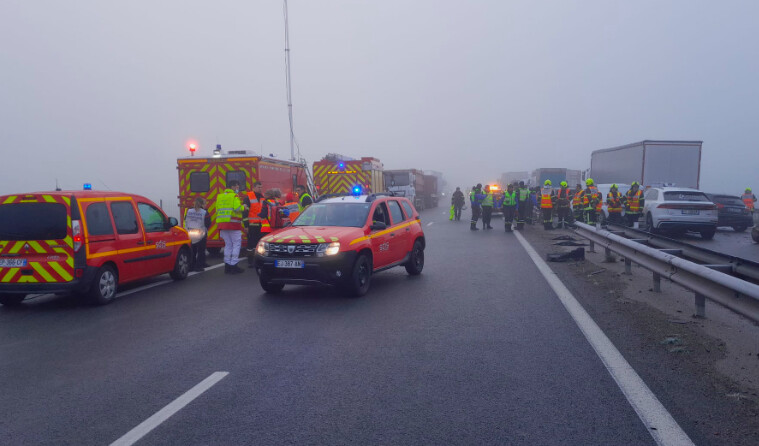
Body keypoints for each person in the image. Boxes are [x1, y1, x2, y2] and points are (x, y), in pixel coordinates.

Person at [216, 179, 247, 274]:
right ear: (232, 187)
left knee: (228, 245)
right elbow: (237, 208)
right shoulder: (234, 196)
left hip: (222, 224)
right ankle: (234, 265)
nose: (238, 189)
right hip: (233, 224)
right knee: (236, 244)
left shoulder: (220, 196)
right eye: (237, 187)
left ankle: (227, 265)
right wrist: (244, 207)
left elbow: (217, 209)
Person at [184, 197, 211, 271]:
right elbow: (208, 223)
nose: (206, 205)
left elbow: (185, 220)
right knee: (201, 250)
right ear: (202, 204)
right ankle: (199, 266)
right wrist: (205, 230)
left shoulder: (189, 211)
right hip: (201, 233)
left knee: (193, 250)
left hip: (191, 232)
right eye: (205, 203)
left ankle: (191, 266)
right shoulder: (204, 212)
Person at [244, 181, 265, 267]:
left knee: (259, 245)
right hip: (252, 225)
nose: (260, 189)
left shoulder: (262, 197)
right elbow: (245, 212)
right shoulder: (248, 197)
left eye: (261, 187)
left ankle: (258, 260)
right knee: (251, 245)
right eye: (258, 187)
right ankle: (250, 261)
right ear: (254, 187)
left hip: (261, 225)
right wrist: (246, 225)